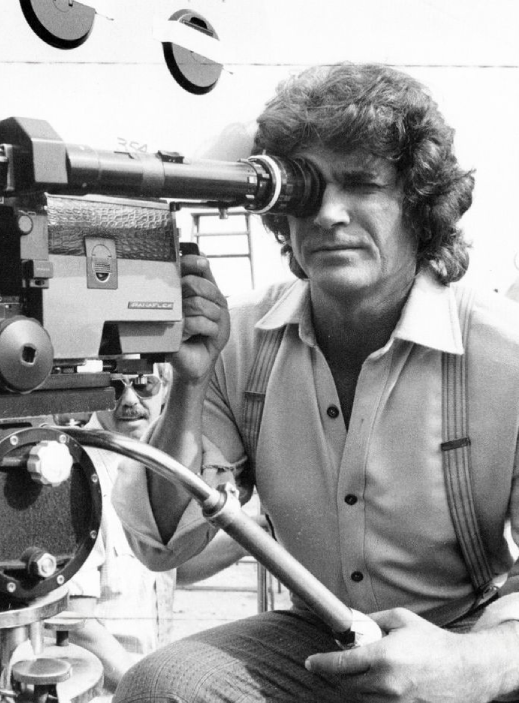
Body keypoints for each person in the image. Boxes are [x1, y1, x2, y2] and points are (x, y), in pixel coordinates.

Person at [111, 63, 519, 702]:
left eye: (360, 183)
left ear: (419, 203)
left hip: (463, 635)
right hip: (311, 637)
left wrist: (474, 665)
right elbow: (169, 549)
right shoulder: (237, 339)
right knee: (160, 688)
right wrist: (189, 385)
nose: (328, 213)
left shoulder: (506, 356)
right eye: (304, 188)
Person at [68, 363, 254, 695]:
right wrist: (150, 691)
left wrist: (254, 536)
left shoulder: (159, 467)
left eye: (143, 385)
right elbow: (75, 621)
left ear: (167, 388)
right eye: (114, 387)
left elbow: (171, 569)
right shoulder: (79, 476)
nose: (128, 401)